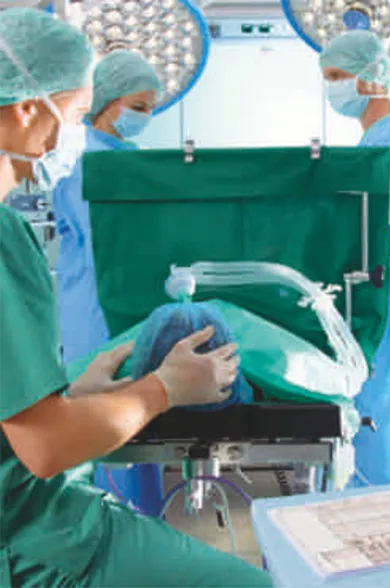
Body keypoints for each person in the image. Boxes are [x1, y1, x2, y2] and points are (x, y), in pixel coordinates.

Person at [0, 8, 272, 586]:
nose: (66, 139)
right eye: (75, 115)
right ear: (26, 110)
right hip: (32, 539)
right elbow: (45, 447)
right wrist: (164, 389)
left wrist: (72, 395)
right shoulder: (4, 235)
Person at [53, 48, 166, 517]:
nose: (145, 117)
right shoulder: (83, 160)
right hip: (97, 309)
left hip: (126, 305)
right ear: (107, 99)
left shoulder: (126, 158)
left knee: (137, 423)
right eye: (138, 106)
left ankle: (141, 525)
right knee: (107, 425)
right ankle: (113, 528)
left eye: (150, 108)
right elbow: (109, 240)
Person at [319, 31, 390, 488]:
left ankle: (382, 507)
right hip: (380, 288)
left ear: (370, 77)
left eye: (336, 76)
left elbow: (384, 241)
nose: (331, 88)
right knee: (376, 410)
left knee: (385, 409)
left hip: (387, 293)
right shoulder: (375, 140)